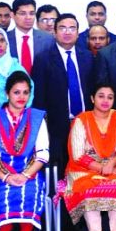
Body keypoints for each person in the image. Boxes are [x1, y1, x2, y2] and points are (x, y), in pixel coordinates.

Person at [0, 71, 49, 231]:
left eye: (25, 92)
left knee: (29, 192)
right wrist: (6, 177)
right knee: (2, 194)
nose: (21, 97)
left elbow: (43, 153)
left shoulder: (36, 118)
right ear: (7, 93)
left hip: (29, 172)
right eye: (16, 92)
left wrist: (24, 175)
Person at [59, 83, 116, 231]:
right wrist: (101, 168)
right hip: (83, 169)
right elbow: (78, 155)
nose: (105, 100)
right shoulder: (81, 120)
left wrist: (111, 164)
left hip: (113, 167)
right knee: (88, 190)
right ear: (92, 98)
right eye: (101, 96)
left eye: (110, 97)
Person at [32, 14, 94, 170]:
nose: (68, 32)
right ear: (54, 31)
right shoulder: (43, 59)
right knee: (60, 168)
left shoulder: (87, 56)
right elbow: (39, 97)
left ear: (78, 33)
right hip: (57, 125)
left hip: (86, 122)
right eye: (62, 28)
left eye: (72, 28)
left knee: (86, 166)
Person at [7, 0, 56, 74]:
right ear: (13, 15)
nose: (28, 17)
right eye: (22, 13)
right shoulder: (4, 39)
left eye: (32, 13)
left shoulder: (48, 39)